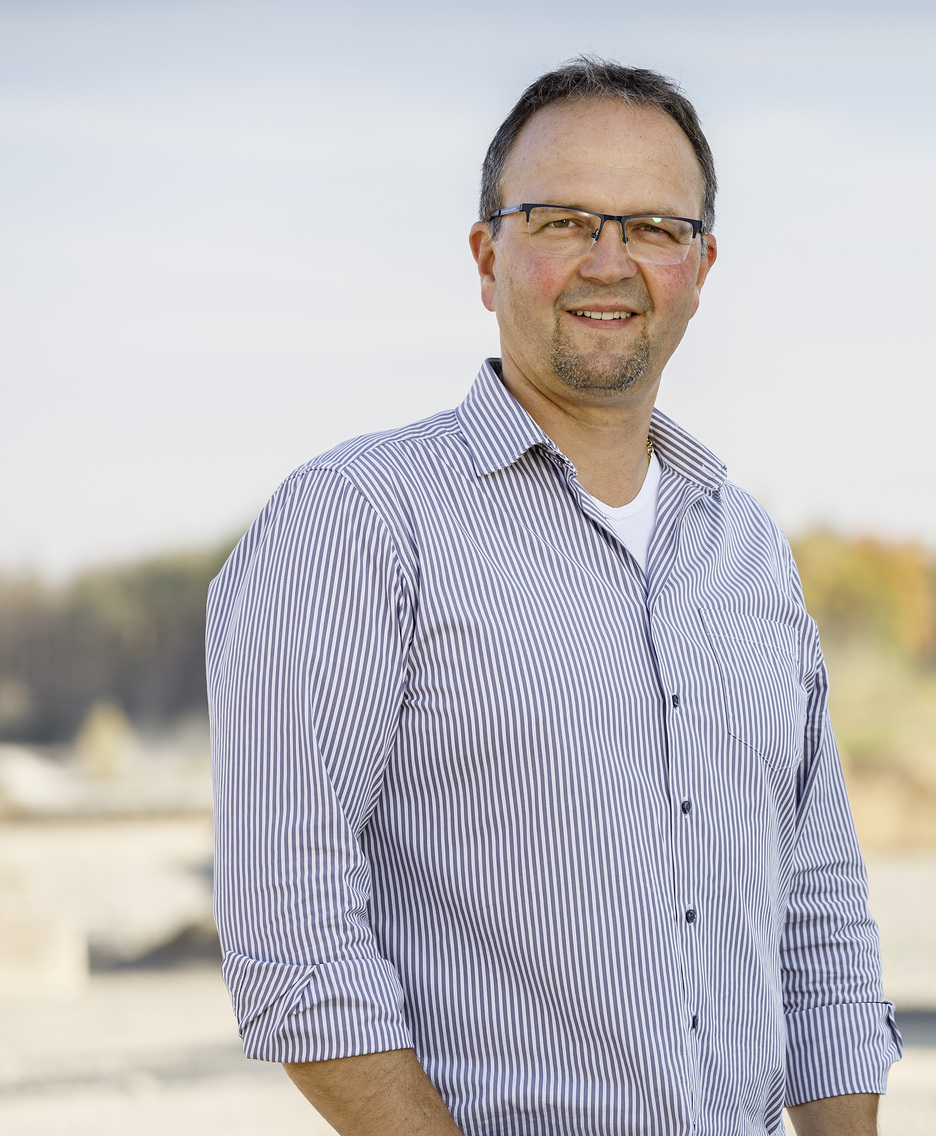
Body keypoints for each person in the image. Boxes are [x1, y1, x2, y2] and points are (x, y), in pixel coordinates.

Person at [207, 57, 900, 1136]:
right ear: (487, 257)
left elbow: (819, 919)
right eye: (566, 220)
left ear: (703, 264)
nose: (609, 262)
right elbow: (293, 932)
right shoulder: (356, 522)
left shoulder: (748, 549)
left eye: (654, 227)